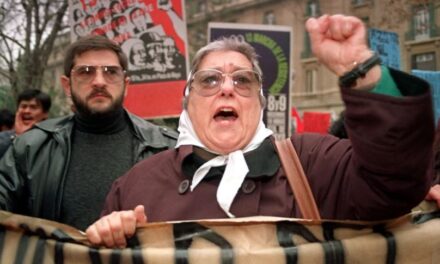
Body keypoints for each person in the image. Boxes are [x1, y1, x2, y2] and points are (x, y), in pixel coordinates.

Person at [86, 15, 434, 248]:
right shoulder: (135, 186)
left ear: (260, 101)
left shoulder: (312, 163)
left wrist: (361, 70)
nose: (227, 89)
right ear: (187, 101)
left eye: (243, 80)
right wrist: (106, 238)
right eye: (209, 80)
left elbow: (394, 180)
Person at [0, 35, 177, 231]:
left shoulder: (167, 148)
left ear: (126, 85)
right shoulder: (30, 148)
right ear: (67, 85)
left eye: (111, 72)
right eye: (86, 72)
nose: (99, 82)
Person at [0, 89, 51, 158]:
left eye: (33, 107)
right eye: (23, 106)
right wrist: (18, 137)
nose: (27, 111)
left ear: (45, 113)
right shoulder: (3, 138)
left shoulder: (52, 141)